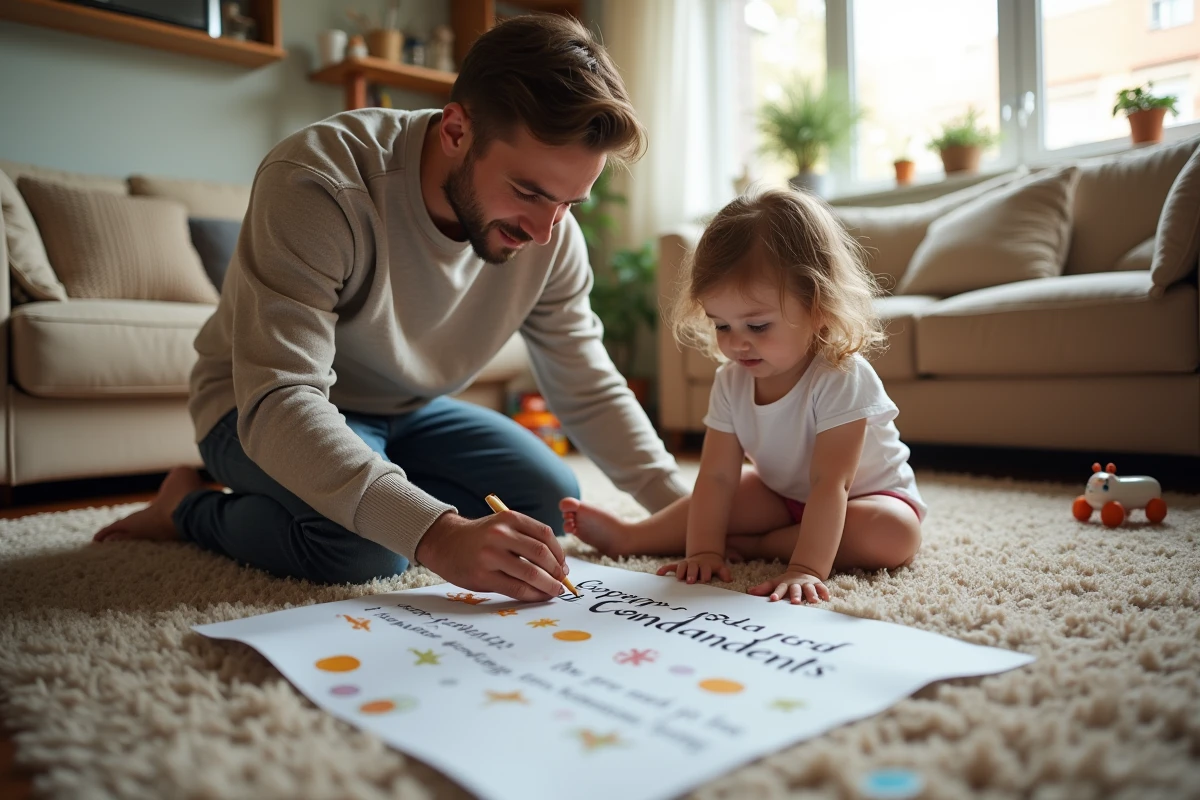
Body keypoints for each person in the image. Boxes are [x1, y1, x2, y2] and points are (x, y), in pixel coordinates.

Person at [93, 14, 688, 603]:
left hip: (408, 411)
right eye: (528, 192)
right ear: (456, 130)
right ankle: (187, 511)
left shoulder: (553, 235)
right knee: (368, 551)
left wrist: (682, 506)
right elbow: (280, 400)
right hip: (253, 407)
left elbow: (586, 382)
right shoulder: (319, 182)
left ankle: (371, 484)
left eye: (569, 202)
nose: (544, 231)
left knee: (547, 504)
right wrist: (436, 532)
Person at [561, 188, 925, 604]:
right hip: (780, 496)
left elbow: (831, 485)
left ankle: (758, 545)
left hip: (865, 499)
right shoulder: (732, 381)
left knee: (893, 536)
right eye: (722, 326)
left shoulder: (841, 374)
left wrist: (804, 569)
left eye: (757, 326)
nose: (737, 344)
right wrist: (702, 551)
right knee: (727, 494)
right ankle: (633, 536)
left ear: (818, 306)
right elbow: (716, 477)